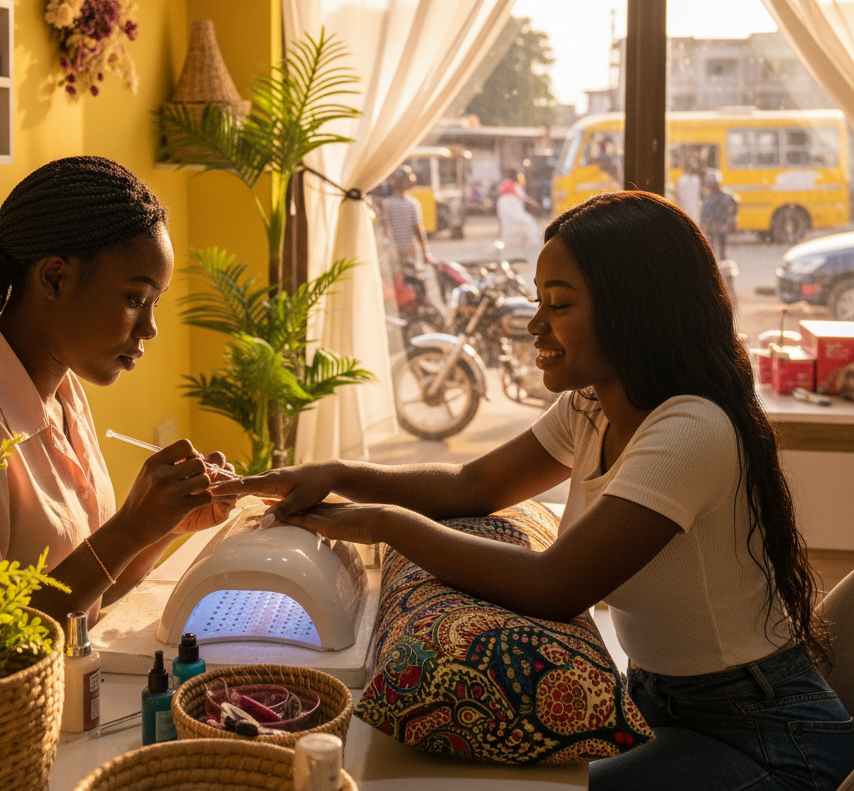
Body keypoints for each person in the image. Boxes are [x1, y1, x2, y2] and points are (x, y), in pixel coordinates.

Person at [217, 191, 854, 791]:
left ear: (635, 309)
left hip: (763, 736)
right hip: (658, 700)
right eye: (538, 301)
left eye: (559, 304)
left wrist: (383, 522)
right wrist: (334, 473)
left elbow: (556, 586)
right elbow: (474, 486)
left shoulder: (692, 428)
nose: (534, 324)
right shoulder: (596, 406)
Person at [0, 156, 235, 625]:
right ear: (54, 277)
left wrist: (161, 525)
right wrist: (128, 527)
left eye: (153, 303)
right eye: (135, 299)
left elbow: (89, 596)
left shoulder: (65, 396)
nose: (150, 328)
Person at [381, 166, 432, 269]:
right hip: (401, 251)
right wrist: (425, 252)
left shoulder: (390, 203)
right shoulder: (410, 203)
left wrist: (425, 252)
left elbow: (418, 229)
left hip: (402, 250)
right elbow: (418, 229)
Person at [495, 172, 542, 278]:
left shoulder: (505, 184)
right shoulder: (513, 186)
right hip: (512, 211)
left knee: (509, 234)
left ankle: (513, 256)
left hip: (508, 211)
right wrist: (534, 204)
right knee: (528, 228)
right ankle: (512, 256)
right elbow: (523, 197)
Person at [701, 168, 739, 260]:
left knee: (719, 247)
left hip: (719, 225)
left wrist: (731, 218)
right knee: (714, 247)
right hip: (715, 225)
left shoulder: (722, 196)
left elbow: (735, 205)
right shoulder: (711, 197)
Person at [675, 156, 703, 222]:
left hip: (694, 207)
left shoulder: (696, 180)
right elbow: (679, 194)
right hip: (684, 206)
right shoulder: (682, 180)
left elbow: (698, 194)